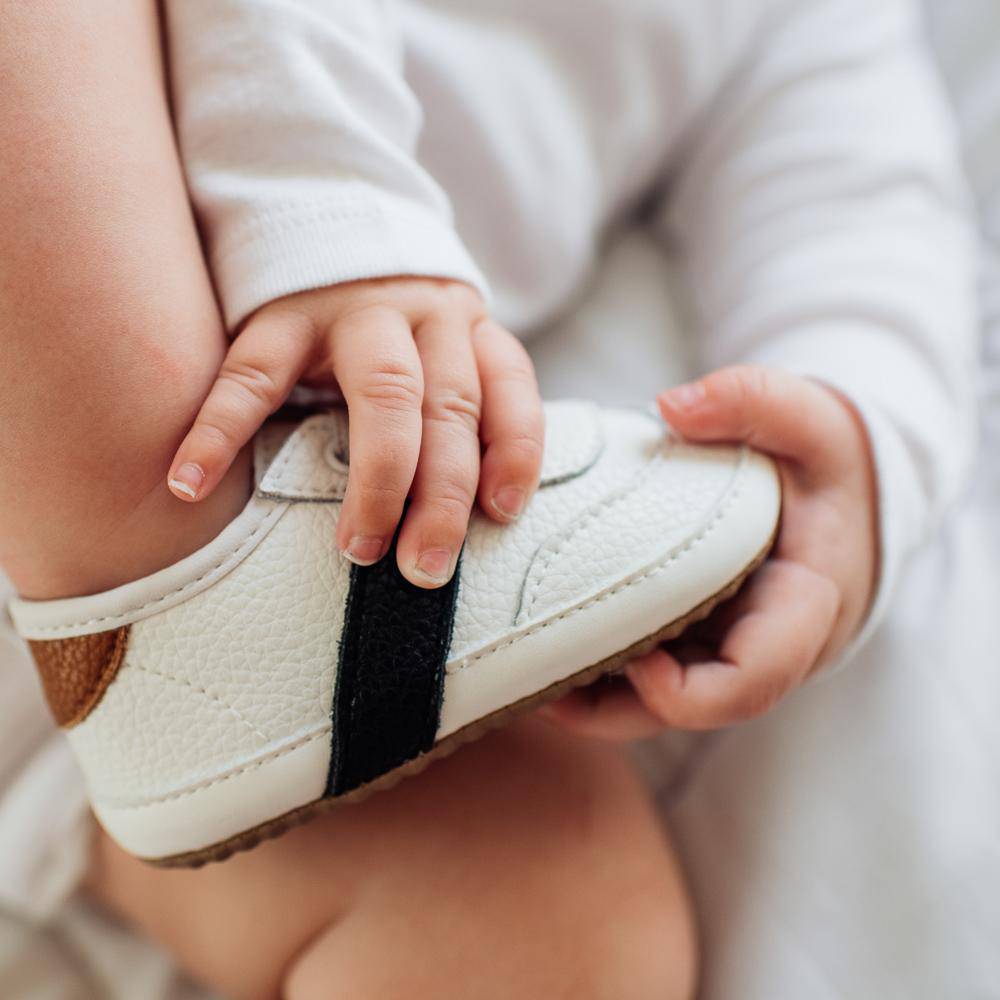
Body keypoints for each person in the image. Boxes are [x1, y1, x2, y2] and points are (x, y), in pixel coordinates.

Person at [0, 0, 975, 996]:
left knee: (558, 906)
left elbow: (858, 211)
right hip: (82, 439)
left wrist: (855, 446)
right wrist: (333, 205)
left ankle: (183, 624)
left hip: (246, 686)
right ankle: (155, 557)